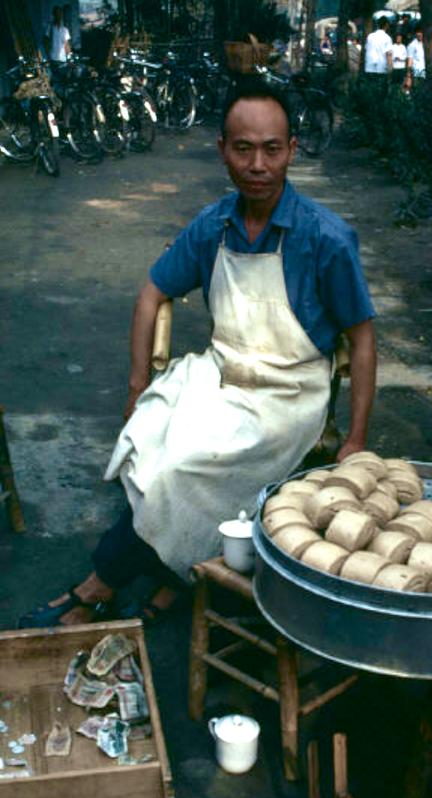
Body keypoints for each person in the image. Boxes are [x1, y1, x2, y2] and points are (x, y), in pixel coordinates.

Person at [18, 78, 377, 629]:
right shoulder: (213, 225)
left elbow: (362, 336)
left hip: (289, 392)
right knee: (149, 442)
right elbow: (150, 294)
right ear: (223, 151)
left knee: (187, 467)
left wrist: (353, 439)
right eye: (243, 148)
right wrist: (138, 388)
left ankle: (98, 584)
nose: (258, 164)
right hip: (219, 372)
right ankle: (174, 576)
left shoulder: (326, 238)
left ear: (291, 151)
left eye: (272, 149)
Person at [364, 16, 392, 85]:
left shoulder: (370, 36)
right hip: (381, 69)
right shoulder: (387, 38)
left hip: (369, 68)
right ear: (386, 25)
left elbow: (366, 50)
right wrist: (390, 70)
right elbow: (389, 55)